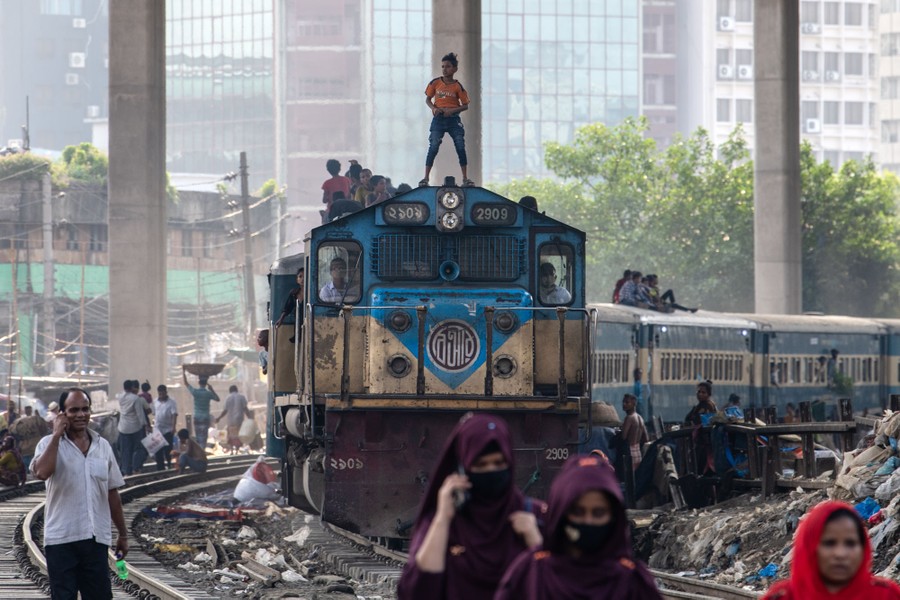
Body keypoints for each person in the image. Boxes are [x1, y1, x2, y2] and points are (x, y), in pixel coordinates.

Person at [397, 413, 544, 600]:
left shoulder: (534, 517)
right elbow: (416, 592)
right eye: (480, 464)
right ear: (461, 469)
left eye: (499, 463)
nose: (491, 470)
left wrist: (534, 540)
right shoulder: (441, 525)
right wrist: (442, 519)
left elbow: (557, 588)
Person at [495, 454, 662, 600]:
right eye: (577, 511)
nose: (587, 521)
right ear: (560, 513)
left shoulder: (633, 582)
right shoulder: (530, 574)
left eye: (598, 513)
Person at [31, 388, 128, 600]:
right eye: (74, 410)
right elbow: (42, 472)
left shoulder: (103, 447)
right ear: (62, 414)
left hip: (95, 539)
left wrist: (123, 533)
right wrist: (57, 435)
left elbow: (112, 492)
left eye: (85, 409)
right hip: (61, 540)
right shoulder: (47, 444)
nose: (81, 415)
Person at [762, 500, 900, 599]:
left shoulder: (885, 595)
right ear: (810, 547)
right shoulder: (784, 597)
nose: (841, 554)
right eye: (829, 543)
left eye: (850, 543)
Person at [420, 52, 472, 187]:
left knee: (460, 145)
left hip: (453, 119)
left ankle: (465, 178)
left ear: (455, 69)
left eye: (448, 66)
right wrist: (434, 108)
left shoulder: (457, 86)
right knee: (434, 146)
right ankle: (426, 178)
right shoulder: (435, 83)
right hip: (439, 117)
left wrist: (452, 111)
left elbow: (465, 105)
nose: (444, 69)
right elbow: (427, 99)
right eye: (443, 66)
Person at [116, 379, 150, 475]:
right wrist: (146, 425)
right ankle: (136, 467)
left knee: (125, 451)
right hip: (135, 428)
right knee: (139, 449)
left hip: (123, 428)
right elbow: (140, 414)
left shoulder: (120, 397)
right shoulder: (135, 398)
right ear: (132, 387)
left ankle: (126, 471)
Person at [182, 368, 220, 449]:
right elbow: (218, 399)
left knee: (198, 437)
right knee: (204, 437)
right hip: (205, 418)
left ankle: (199, 451)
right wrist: (212, 389)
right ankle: (202, 451)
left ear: (199, 382)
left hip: (197, 418)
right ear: (206, 383)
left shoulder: (195, 392)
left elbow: (186, 383)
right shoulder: (208, 393)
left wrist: (183, 371)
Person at [10, 404, 49, 471]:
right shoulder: (33, 419)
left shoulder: (26, 420)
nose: (28, 410)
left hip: (28, 449)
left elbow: (13, 432)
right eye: (27, 409)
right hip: (32, 448)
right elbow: (44, 430)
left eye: (29, 409)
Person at [215, 385, 252, 454]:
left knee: (231, 435)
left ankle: (232, 450)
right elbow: (245, 409)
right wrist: (250, 418)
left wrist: (219, 418)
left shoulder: (228, 398)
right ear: (237, 390)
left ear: (230, 391)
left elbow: (225, 410)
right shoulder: (241, 397)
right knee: (238, 435)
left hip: (230, 420)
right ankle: (237, 450)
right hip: (239, 420)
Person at [275, 266, 305, 342]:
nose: (302, 279)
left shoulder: (313, 293)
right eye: (300, 276)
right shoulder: (294, 293)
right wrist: (281, 319)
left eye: (305, 276)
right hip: (298, 321)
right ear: (297, 280)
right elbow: (287, 308)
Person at [621, 393, 649, 471]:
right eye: (623, 402)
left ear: (634, 404)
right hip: (638, 453)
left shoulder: (629, 418)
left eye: (627, 402)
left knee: (629, 478)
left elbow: (624, 436)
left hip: (630, 452)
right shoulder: (640, 418)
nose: (624, 404)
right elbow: (646, 438)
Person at [152, 384, 178, 470]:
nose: (161, 395)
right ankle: (160, 468)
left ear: (166, 392)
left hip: (168, 429)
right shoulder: (155, 402)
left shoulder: (171, 402)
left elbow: (174, 415)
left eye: (163, 393)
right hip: (157, 429)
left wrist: (174, 427)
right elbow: (153, 413)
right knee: (158, 450)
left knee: (168, 449)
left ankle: (169, 464)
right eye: (160, 394)